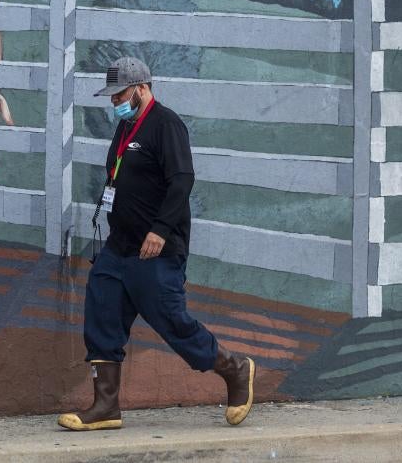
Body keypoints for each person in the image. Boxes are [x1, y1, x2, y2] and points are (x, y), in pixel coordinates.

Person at [57, 56, 255, 431]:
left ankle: (235, 369)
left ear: (142, 88)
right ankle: (106, 406)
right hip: (120, 247)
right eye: (111, 97)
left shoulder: (167, 125)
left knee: (173, 322)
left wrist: (160, 230)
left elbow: (182, 181)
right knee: (102, 310)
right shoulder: (126, 127)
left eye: (120, 95)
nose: (114, 102)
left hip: (157, 249)